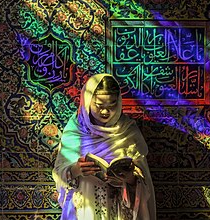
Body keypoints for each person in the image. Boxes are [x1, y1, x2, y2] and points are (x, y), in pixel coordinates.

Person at [52, 73, 156, 220]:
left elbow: (143, 179)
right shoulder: (76, 130)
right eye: (100, 106)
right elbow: (58, 173)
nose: (106, 112)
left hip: (120, 210)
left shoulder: (128, 130)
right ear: (87, 101)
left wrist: (130, 179)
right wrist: (75, 170)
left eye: (112, 105)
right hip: (85, 210)